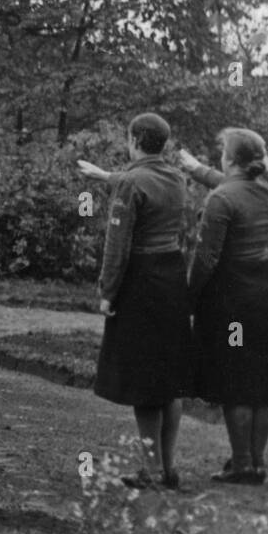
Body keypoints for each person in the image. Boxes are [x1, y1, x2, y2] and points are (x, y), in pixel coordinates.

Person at [88, 113, 191, 490]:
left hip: (141, 281)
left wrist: (107, 291)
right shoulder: (176, 177)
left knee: (144, 381)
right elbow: (147, 184)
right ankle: (169, 466)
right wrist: (106, 176)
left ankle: (150, 471)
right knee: (168, 380)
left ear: (134, 139)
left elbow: (117, 246)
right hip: (172, 278)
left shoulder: (131, 182)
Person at [183, 128, 268, 484]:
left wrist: (190, 296)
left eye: (223, 151)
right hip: (266, 302)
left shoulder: (220, 199)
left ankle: (241, 463)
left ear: (232, 160)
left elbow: (206, 258)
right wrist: (198, 169)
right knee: (261, 383)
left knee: (236, 379)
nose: (221, 156)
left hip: (232, 307)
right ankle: (256, 463)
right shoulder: (267, 193)